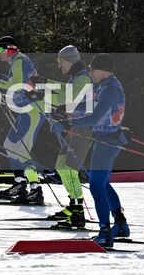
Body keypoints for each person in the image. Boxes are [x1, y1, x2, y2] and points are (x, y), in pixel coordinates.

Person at [52, 52, 128, 249]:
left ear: (102, 70)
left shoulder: (111, 88)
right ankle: (120, 224)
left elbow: (94, 118)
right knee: (102, 183)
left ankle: (105, 232)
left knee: (96, 185)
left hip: (107, 142)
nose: (90, 73)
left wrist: (68, 123)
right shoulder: (103, 86)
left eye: (92, 69)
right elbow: (88, 106)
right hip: (104, 139)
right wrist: (64, 110)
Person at [0, 36, 44, 205]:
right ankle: (21, 183)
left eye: (0, 49)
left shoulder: (19, 60)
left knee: (23, 150)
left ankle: (35, 189)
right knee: (9, 145)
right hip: (25, 112)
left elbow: (18, 84)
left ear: (10, 49)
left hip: (32, 111)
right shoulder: (16, 61)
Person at [48, 45, 93, 229]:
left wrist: (43, 95)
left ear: (68, 61)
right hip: (73, 128)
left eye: (61, 63)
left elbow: (70, 99)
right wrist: (43, 84)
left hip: (83, 129)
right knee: (61, 166)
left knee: (70, 169)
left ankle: (77, 212)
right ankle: (73, 205)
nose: (60, 66)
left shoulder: (82, 78)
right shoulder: (76, 77)